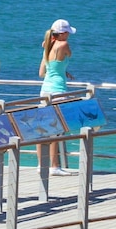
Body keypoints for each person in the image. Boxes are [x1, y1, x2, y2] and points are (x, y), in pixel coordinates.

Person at [39, 19, 76, 177]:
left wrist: (62, 71)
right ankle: (54, 166)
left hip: (45, 90)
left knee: (43, 130)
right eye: (67, 32)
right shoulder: (63, 45)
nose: (68, 35)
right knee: (57, 130)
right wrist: (62, 72)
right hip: (58, 91)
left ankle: (42, 165)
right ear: (62, 33)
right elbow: (70, 54)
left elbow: (42, 73)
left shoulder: (47, 47)